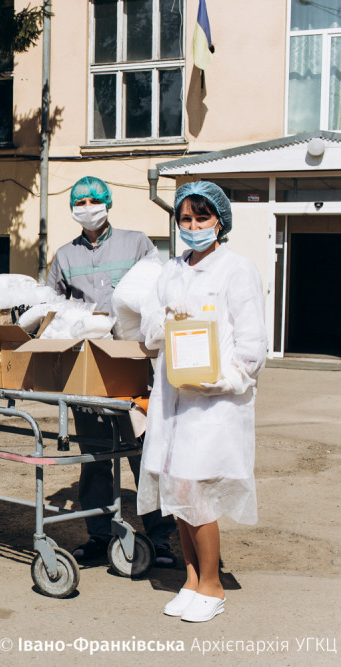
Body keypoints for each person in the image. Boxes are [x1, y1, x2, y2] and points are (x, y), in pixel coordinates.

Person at [138, 181, 266, 622]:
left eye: (202, 218)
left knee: (198, 491)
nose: (193, 227)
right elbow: (147, 330)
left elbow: (252, 344)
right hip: (173, 397)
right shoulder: (170, 271)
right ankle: (191, 578)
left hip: (213, 402)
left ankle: (213, 584)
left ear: (220, 222)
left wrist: (221, 380)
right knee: (177, 488)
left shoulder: (237, 269)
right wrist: (167, 318)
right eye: (185, 219)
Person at [46, 176, 177, 566]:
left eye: (93, 200)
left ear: (107, 202)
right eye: (80, 201)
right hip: (86, 368)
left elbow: (156, 294)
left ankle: (160, 538)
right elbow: (51, 309)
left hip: (132, 366)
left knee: (145, 451)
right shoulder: (64, 256)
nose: (87, 207)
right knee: (95, 456)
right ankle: (100, 536)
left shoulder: (137, 244)